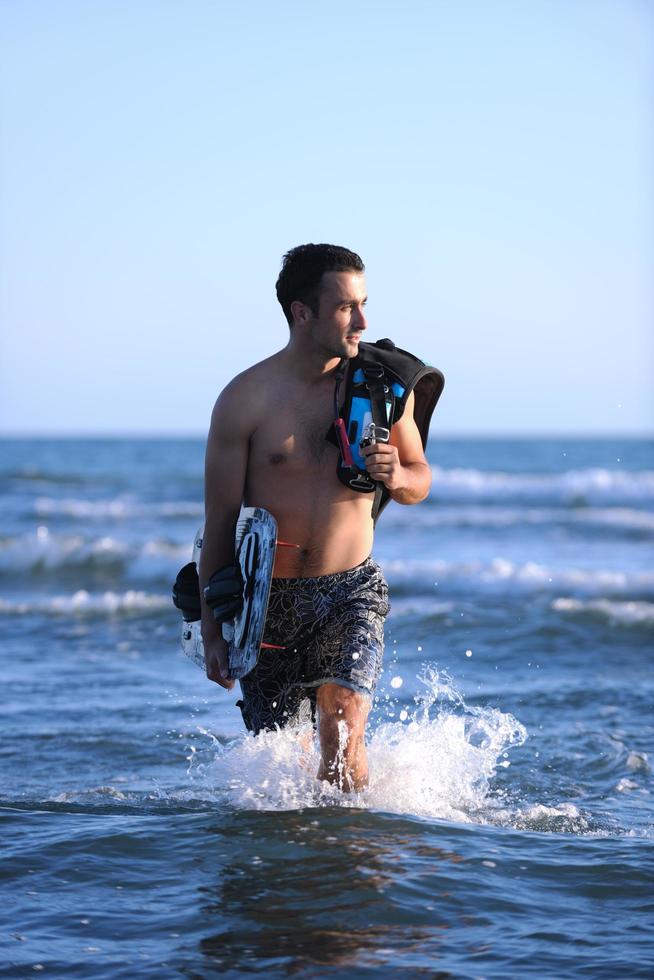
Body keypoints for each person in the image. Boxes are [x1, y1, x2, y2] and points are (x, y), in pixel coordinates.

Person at [198, 244, 432, 791]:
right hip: (267, 600)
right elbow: (220, 520)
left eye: (364, 304)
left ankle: (349, 862)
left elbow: (420, 477)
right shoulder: (245, 400)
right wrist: (213, 627)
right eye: (347, 307)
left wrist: (397, 475)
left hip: (350, 589)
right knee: (284, 759)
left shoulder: (379, 388)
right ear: (302, 312)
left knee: (343, 722)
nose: (364, 321)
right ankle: (302, 867)